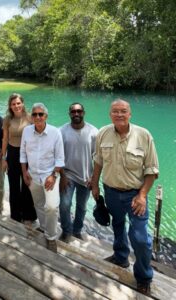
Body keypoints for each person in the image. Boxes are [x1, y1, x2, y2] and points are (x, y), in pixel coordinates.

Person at [91, 99, 159, 295]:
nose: (119, 114)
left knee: (140, 238)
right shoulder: (103, 133)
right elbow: (98, 161)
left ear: (130, 114)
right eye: (115, 111)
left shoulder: (143, 135)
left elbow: (152, 170)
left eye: (123, 111)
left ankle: (144, 276)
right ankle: (121, 256)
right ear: (110, 114)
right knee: (118, 225)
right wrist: (95, 184)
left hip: (135, 195)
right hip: (111, 191)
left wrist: (143, 195)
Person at [20, 103, 64, 253]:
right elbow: (23, 153)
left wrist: (53, 176)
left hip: (49, 176)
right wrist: (24, 172)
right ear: (31, 117)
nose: (37, 117)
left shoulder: (55, 132)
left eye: (40, 114)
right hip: (32, 175)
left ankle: (51, 237)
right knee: (38, 204)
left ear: (46, 116)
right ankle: (44, 228)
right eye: (34, 114)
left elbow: (60, 158)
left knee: (51, 207)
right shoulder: (26, 131)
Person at [59, 103, 98, 243]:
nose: (76, 114)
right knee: (64, 204)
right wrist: (62, 176)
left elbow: (99, 158)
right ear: (69, 113)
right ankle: (66, 231)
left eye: (79, 111)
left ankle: (77, 231)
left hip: (86, 177)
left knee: (81, 207)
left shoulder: (94, 132)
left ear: (83, 113)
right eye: (73, 111)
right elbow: (57, 156)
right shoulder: (61, 131)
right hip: (67, 174)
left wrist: (94, 179)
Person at [2, 93, 37, 224]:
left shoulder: (30, 118)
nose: (16, 106)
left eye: (18, 103)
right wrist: (3, 158)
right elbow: (5, 139)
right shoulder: (7, 119)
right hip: (12, 153)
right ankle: (16, 216)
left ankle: (28, 215)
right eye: (13, 104)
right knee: (14, 185)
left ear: (22, 103)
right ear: (10, 106)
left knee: (28, 185)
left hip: (28, 155)